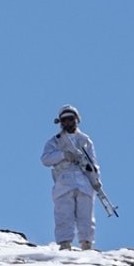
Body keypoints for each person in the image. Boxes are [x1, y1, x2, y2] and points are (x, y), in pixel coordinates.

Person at [40, 105, 101, 251]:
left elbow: (93, 163)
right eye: (64, 120)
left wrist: (96, 180)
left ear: (76, 120)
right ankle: (65, 244)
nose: (67, 123)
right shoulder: (55, 141)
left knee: (86, 216)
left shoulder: (85, 140)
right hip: (64, 182)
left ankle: (87, 244)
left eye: (70, 119)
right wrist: (63, 155)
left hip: (84, 182)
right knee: (64, 214)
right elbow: (45, 159)